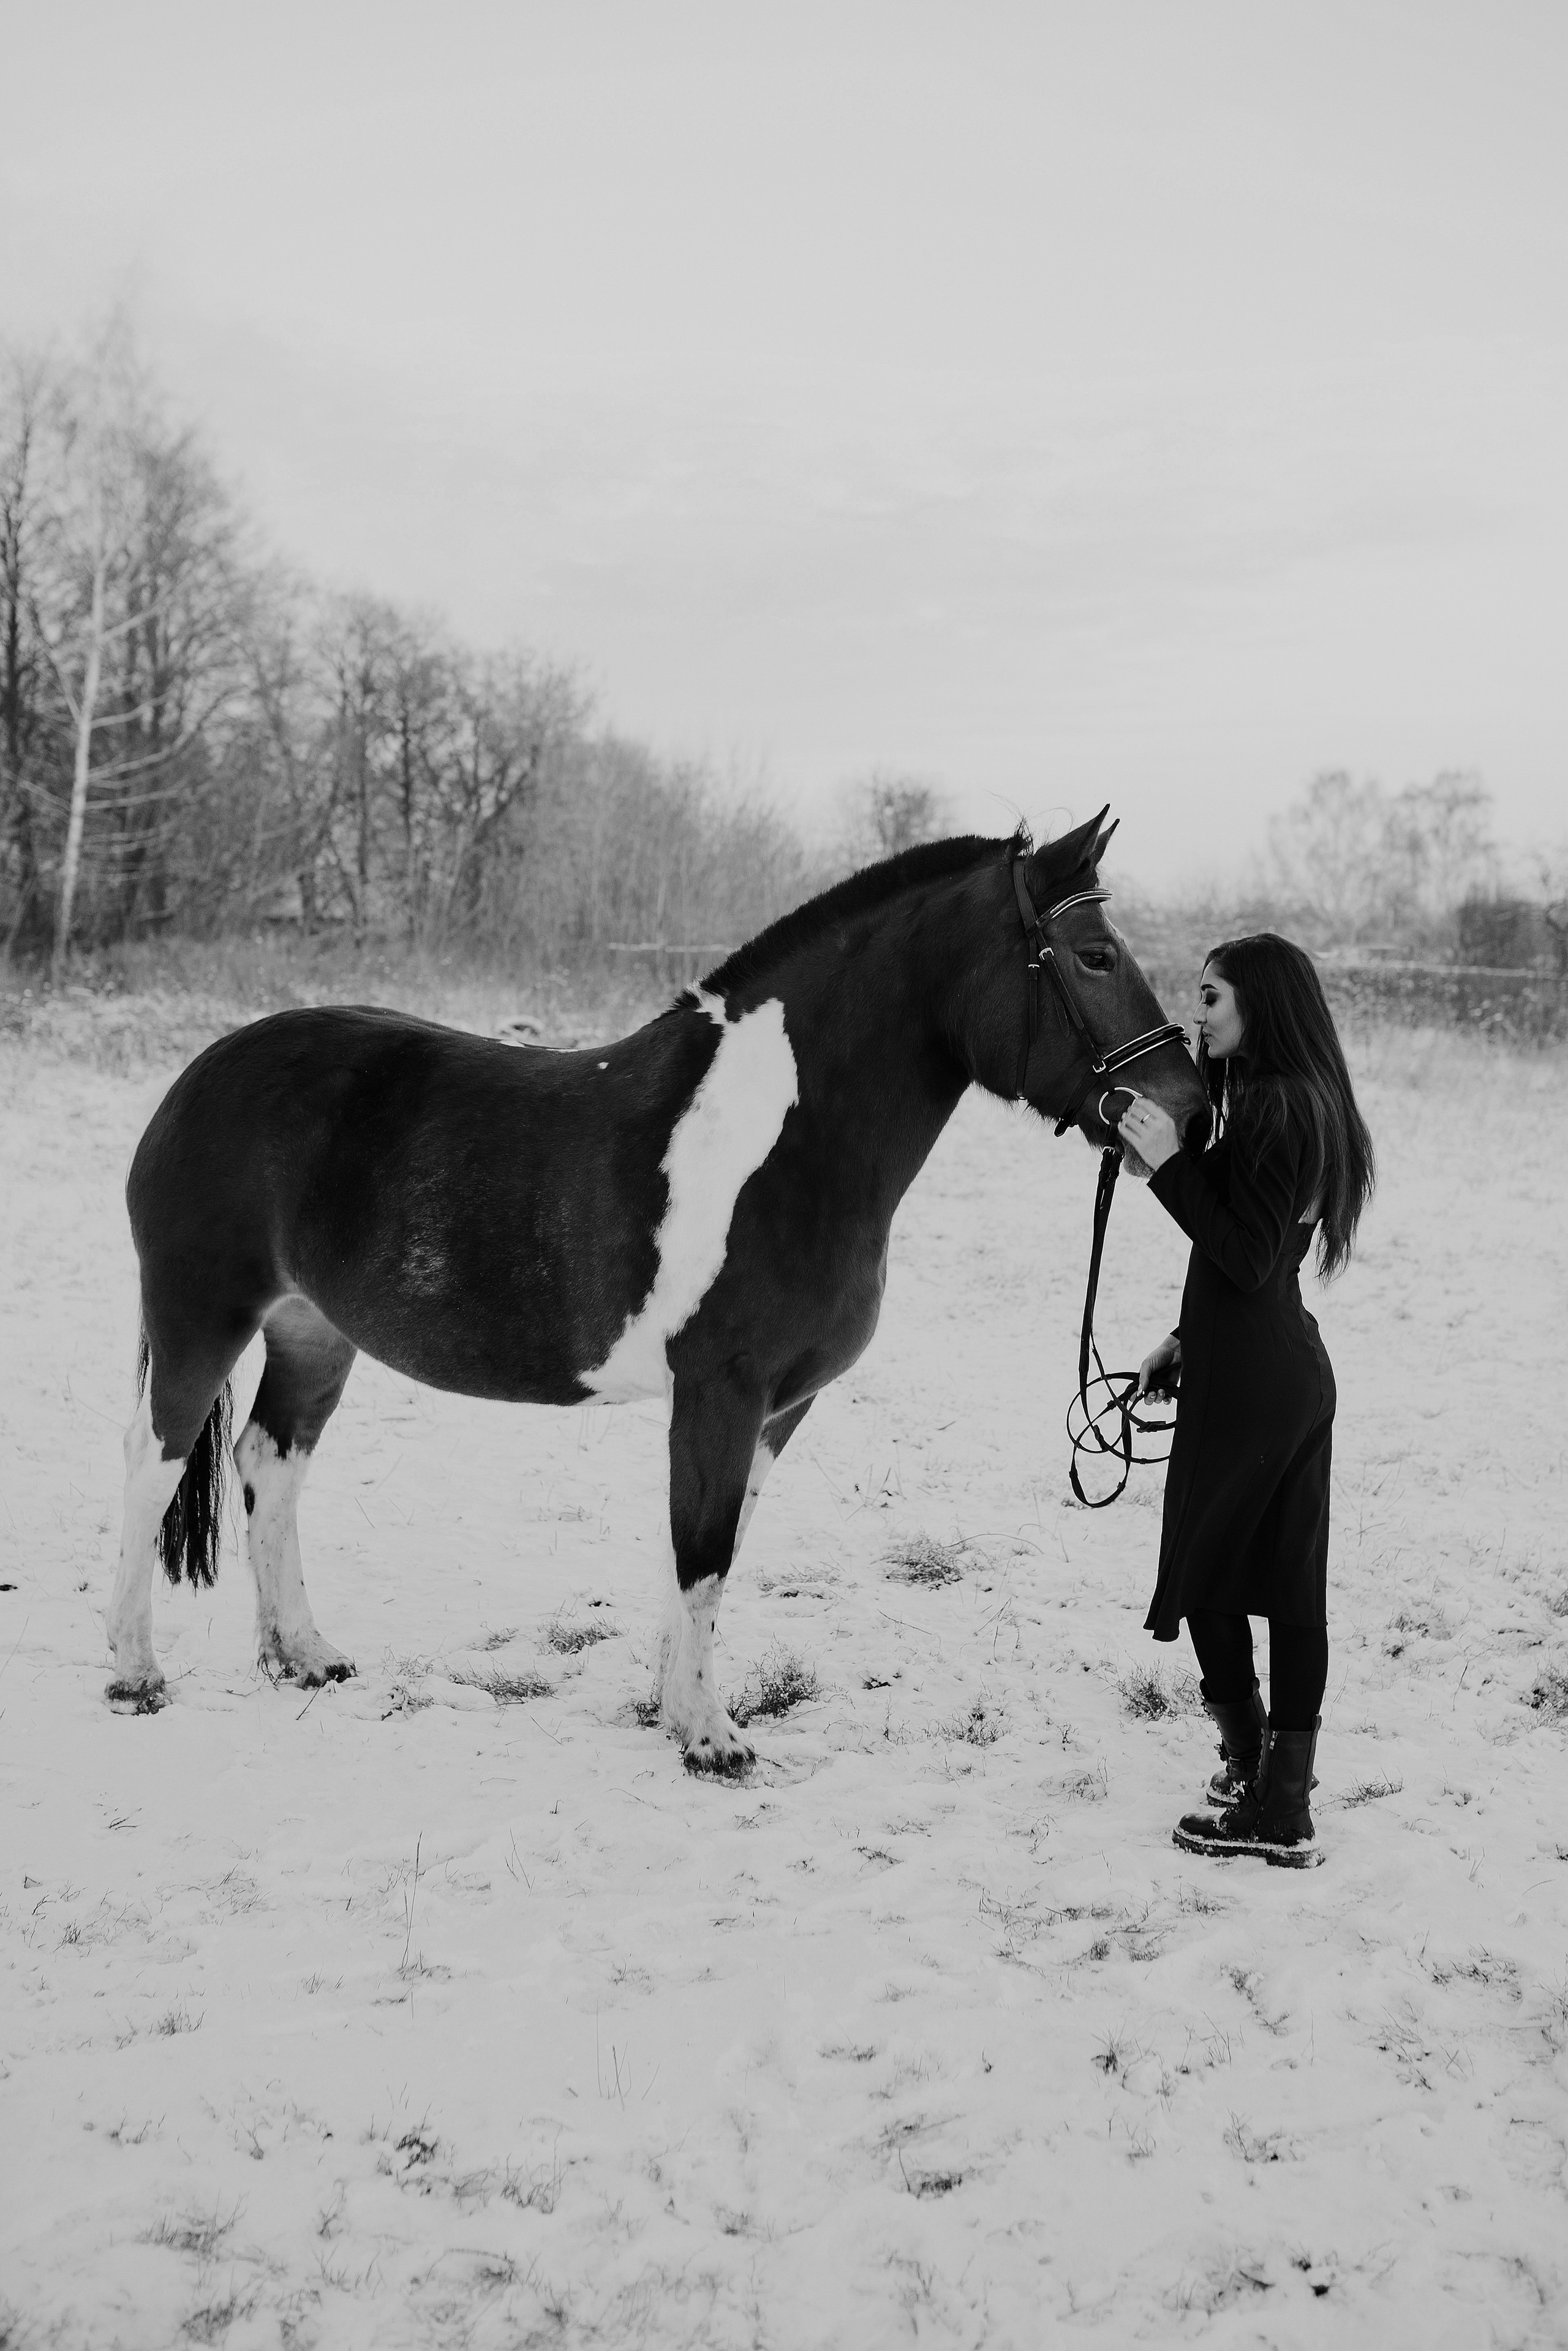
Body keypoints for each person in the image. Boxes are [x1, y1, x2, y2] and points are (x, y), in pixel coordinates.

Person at [1115, 935, 1374, 1867]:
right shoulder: (1294, 1103)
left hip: (1258, 1385)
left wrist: (1167, 1164)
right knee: (1290, 1591)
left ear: (1260, 1003)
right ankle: (1277, 1793)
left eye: (1213, 996)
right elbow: (1255, 1259)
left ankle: (1261, 1782)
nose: (1199, 1011)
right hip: (1276, 1371)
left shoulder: (1273, 1107)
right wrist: (1185, 1341)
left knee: (1206, 1572)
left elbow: (1246, 1253)